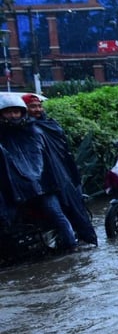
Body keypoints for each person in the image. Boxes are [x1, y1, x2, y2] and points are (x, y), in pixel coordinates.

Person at [0, 94, 79, 250]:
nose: (13, 116)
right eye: (8, 112)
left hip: (42, 185)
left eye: (16, 112)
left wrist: (33, 179)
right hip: (13, 187)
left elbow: (40, 159)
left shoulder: (34, 131)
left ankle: (72, 245)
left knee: (54, 212)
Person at [22, 93, 97, 246]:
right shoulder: (20, 130)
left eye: (38, 106)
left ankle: (73, 249)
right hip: (34, 181)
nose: (37, 110)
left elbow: (63, 151)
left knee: (58, 213)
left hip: (59, 177)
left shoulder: (50, 125)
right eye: (32, 107)